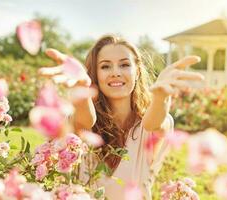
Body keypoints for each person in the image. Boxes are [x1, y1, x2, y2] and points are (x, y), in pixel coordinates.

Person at [41, 34, 204, 200]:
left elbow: (153, 123)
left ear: (138, 71)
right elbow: (86, 121)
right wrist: (83, 90)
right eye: (105, 67)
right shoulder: (80, 119)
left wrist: (161, 99)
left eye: (124, 65)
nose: (116, 73)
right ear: (94, 74)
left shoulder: (152, 123)